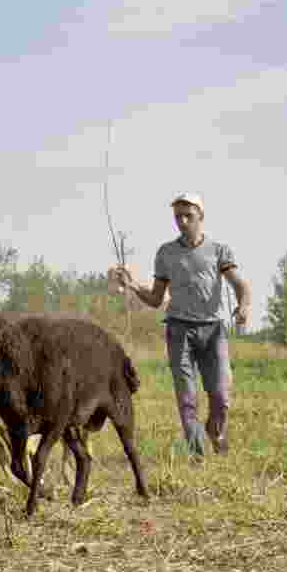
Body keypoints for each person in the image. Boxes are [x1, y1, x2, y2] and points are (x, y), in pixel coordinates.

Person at [113, 192, 251, 459]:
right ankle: (197, 454)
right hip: (179, 331)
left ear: (201, 216)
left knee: (221, 394)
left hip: (213, 330)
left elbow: (240, 284)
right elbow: (155, 298)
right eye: (178, 216)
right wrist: (132, 284)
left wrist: (243, 306)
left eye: (188, 215)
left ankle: (216, 430)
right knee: (187, 398)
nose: (182, 221)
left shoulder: (219, 250)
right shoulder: (166, 253)